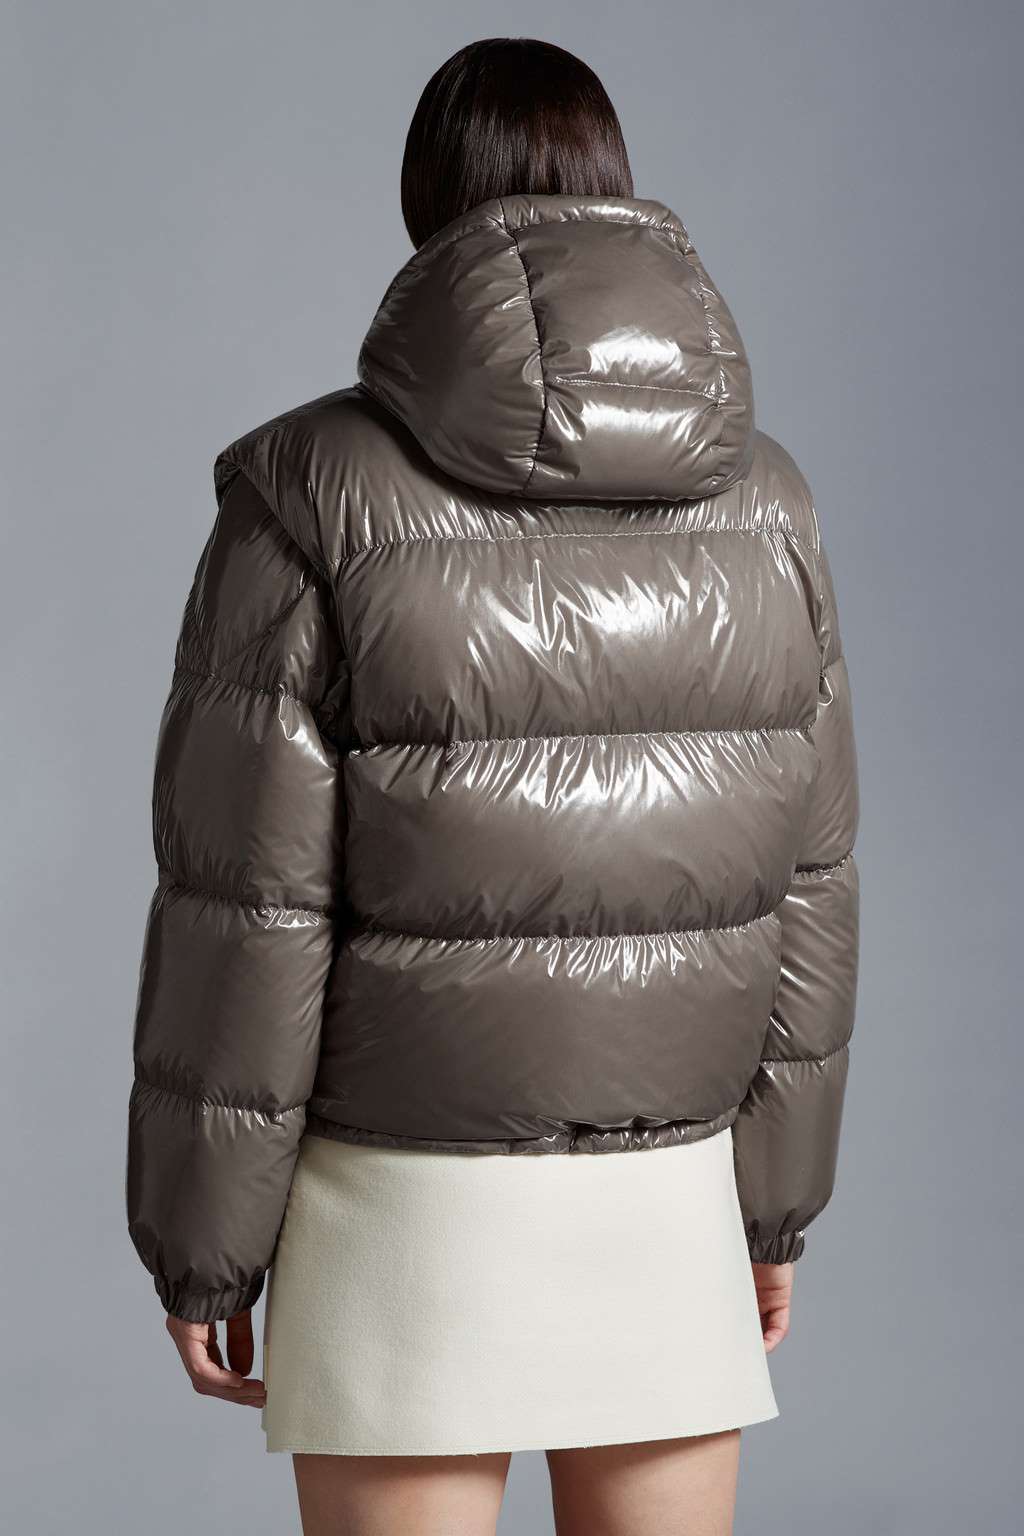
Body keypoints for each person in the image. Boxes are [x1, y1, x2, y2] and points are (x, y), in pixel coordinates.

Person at [126, 36, 860, 1536]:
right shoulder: (770, 503)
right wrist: (770, 1206)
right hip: (668, 1197)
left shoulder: (306, 494)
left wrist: (203, 1242)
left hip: (399, 1210)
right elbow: (810, 887)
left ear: (424, 207)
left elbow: (248, 911)